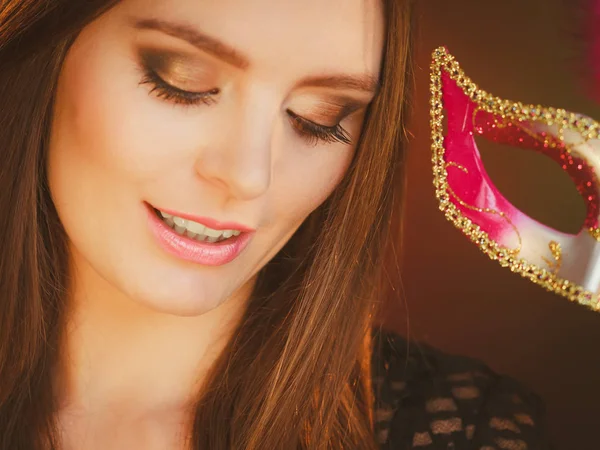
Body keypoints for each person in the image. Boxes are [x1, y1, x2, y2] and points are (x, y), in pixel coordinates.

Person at [0, 0, 550, 448]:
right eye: (182, 81)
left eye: (319, 119)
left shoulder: (464, 429)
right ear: (49, 49)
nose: (247, 175)